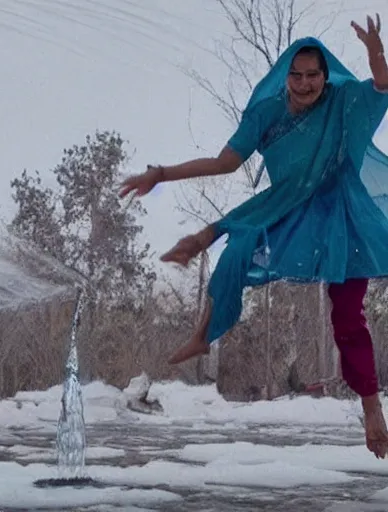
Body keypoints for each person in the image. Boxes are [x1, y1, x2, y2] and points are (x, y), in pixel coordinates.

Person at [120, 15, 388, 458]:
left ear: (326, 76)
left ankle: (372, 408)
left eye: (313, 76)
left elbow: (381, 87)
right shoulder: (266, 113)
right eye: (296, 76)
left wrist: (376, 53)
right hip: (287, 205)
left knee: (346, 314)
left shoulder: (343, 101)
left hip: (342, 212)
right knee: (238, 245)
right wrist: (163, 173)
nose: (304, 84)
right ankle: (206, 332)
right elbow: (225, 162)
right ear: (285, 76)